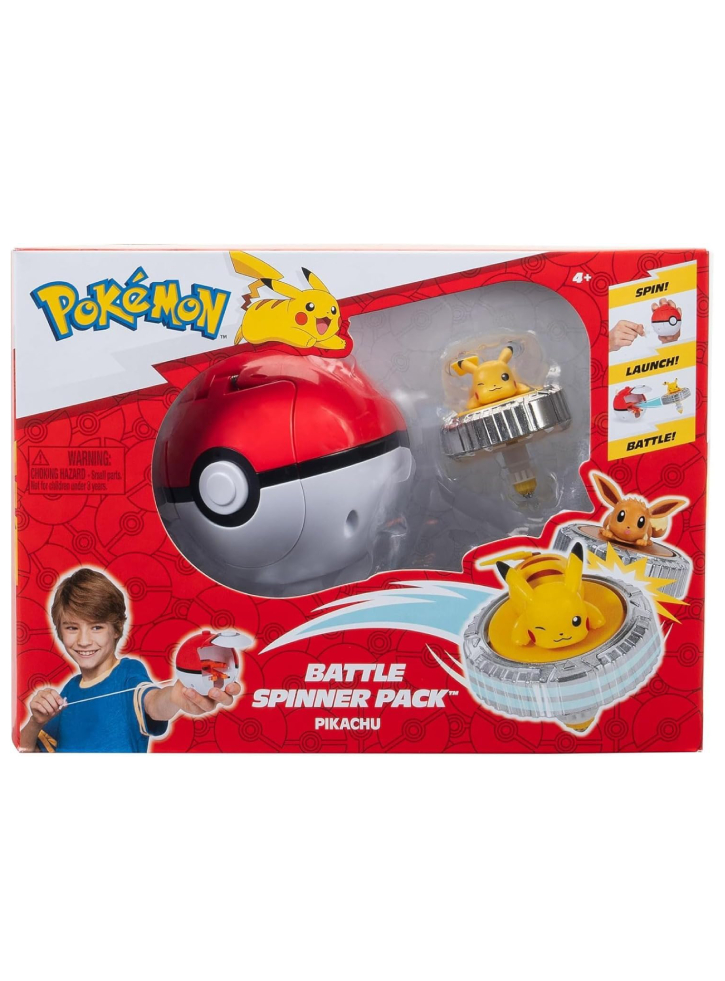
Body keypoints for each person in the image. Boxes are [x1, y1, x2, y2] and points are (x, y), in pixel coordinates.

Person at [19, 568, 240, 752]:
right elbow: (27, 755)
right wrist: (35, 722)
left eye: (96, 627)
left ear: (116, 629)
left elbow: (152, 702)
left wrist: (175, 696)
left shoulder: (128, 673)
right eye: (72, 628)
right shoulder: (68, 691)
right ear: (60, 631)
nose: (83, 641)